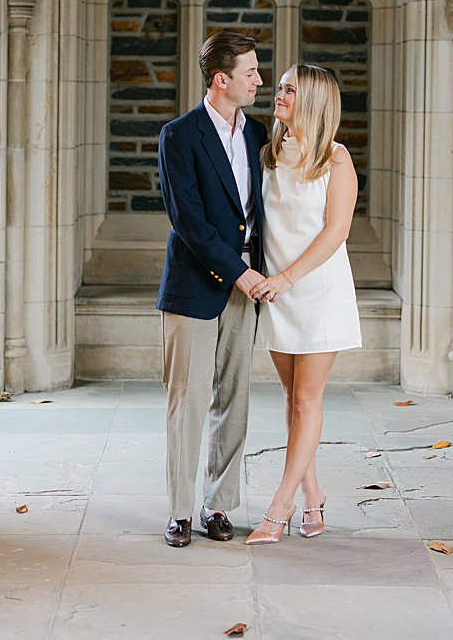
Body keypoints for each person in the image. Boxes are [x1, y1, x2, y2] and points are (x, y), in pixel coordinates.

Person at [156, 31, 268, 547]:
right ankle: (180, 511)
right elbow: (189, 222)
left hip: (247, 287)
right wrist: (240, 273)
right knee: (189, 398)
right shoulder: (179, 135)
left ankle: (218, 506)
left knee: (234, 398)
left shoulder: (258, 134)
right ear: (222, 80)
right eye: (250, 73)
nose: (259, 81)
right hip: (196, 285)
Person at [244, 64, 361, 544]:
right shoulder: (268, 155)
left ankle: (280, 507)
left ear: (312, 100)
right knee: (293, 400)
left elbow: (336, 231)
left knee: (308, 398)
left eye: (289, 89)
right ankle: (313, 493)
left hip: (316, 293)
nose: (278, 93)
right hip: (277, 293)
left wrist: (287, 279)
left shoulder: (336, 160)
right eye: (281, 87)